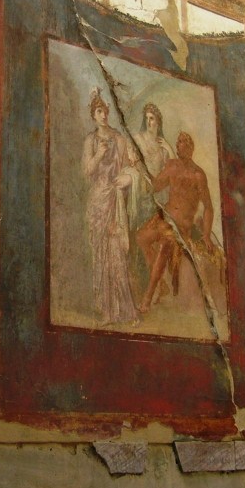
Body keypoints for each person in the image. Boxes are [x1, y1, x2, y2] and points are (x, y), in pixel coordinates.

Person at [135, 131, 214, 314]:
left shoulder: (198, 175)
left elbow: (209, 208)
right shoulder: (172, 166)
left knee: (164, 244)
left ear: (191, 148)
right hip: (164, 219)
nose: (179, 145)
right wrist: (141, 167)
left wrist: (206, 235)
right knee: (141, 237)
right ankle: (160, 283)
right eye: (178, 142)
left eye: (183, 142)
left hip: (181, 226)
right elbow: (156, 186)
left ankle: (148, 296)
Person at [82, 89, 138, 325]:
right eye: (99, 111)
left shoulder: (120, 140)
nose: (104, 115)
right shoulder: (91, 140)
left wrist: (130, 174)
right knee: (101, 257)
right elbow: (87, 171)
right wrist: (98, 155)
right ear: (93, 115)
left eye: (105, 110)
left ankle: (127, 311)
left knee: (117, 256)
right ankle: (106, 312)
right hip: (98, 201)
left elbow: (130, 169)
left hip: (115, 200)